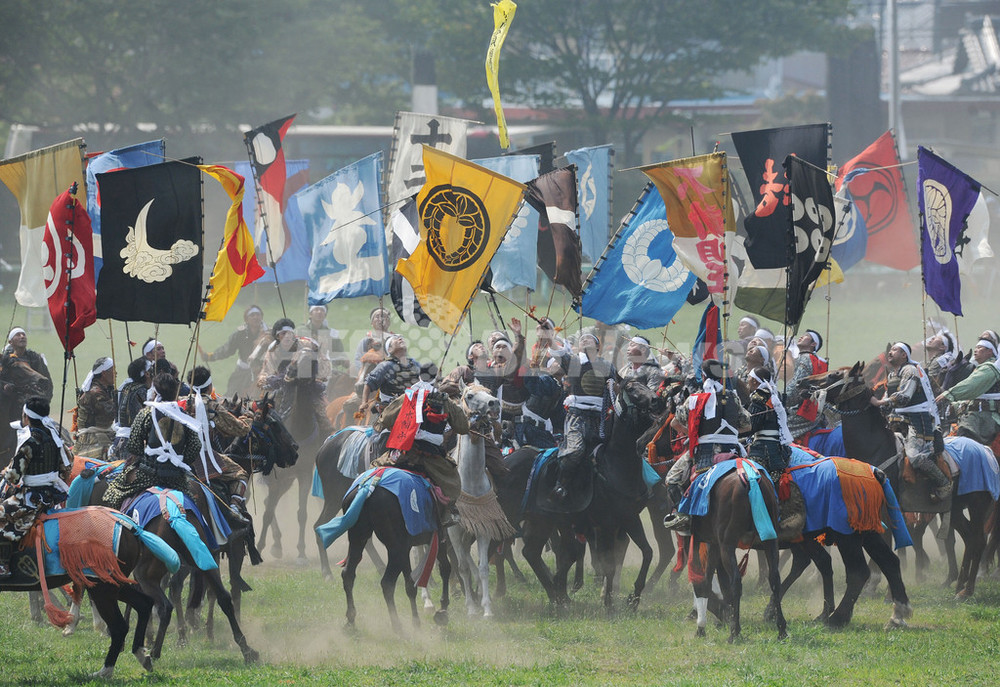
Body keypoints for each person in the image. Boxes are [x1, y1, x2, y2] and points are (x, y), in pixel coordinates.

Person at [664, 359, 751, 531]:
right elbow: (747, 425)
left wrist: (695, 433)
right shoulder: (733, 397)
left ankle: (684, 516)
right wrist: (729, 434)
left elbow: (674, 423)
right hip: (733, 450)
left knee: (671, 479)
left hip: (706, 452)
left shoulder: (695, 399)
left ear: (703, 376)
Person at [373, 381, 469, 525]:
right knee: (453, 481)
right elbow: (463, 428)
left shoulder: (409, 395)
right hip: (432, 458)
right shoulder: (446, 401)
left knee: (374, 468)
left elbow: (386, 420)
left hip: (402, 454)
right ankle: (449, 513)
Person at [102, 373, 202, 510]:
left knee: (113, 491)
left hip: (148, 474)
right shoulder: (184, 416)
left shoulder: (146, 413)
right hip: (176, 478)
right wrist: (180, 461)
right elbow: (195, 446)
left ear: (155, 392)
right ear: (175, 393)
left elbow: (134, 445)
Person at [0, 397, 73, 577]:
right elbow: (68, 464)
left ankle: (4, 565)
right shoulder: (54, 437)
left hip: (31, 497)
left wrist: (5, 472)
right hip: (53, 495)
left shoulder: (29, 441)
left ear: (26, 416)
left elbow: (14, 476)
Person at [872, 342, 951, 502]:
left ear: (904, 355)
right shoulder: (893, 375)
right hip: (896, 423)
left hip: (916, 422)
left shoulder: (911, 370)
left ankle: (943, 483)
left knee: (914, 456)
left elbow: (905, 396)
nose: (890, 352)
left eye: (895, 350)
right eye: (890, 349)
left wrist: (879, 403)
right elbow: (887, 398)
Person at [182, 366, 252, 521]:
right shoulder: (211, 406)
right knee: (241, 474)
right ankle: (234, 507)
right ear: (209, 385)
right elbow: (240, 429)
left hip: (177, 457)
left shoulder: (180, 402)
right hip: (201, 457)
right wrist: (248, 416)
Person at [552, 332, 613, 501]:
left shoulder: (608, 366)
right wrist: (548, 332)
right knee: (576, 450)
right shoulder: (573, 362)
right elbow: (556, 350)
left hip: (600, 419)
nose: (584, 340)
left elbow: (617, 389)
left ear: (598, 346)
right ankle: (561, 484)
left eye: (589, 338)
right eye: (581, 339)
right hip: (577, 417)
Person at [936, 338, 1000, 445]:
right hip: (977, 415)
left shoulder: (990, 368)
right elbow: (972, 397)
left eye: (980, 347)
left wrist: (949, 394)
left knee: (964, 436)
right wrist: (955, 406)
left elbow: (971, 385)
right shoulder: (982, 368)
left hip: (984, 419)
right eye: (975, 347)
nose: (976, 350)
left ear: (990, 351)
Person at [200, 305, 270, 398]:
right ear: (246, 319)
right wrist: (210, 356)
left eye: (258, 314)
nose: (255, 317)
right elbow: (227, 350)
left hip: (261, 372)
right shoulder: (240, 334)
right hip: (242, 371)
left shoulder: (268, 334)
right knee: (231, 394)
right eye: (252, 315)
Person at [361, 334, 422, 421]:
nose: (400, 339)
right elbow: (369, 383)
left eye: (401, 338)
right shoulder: (385, 365)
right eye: (396, 339)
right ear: (389, 349)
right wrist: (364, 402)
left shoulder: (415, 364)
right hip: (391, 410)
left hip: (414, 407)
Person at [784, 329, 829, 440]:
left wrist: (781, 399)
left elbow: (795, 389)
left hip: (800, 412)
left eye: (806, 336)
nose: (801, 337)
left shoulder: (805, 358)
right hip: (815, 411)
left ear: (813, 344)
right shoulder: (816, 361)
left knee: (778, 430)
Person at [298, 304, 350, 396]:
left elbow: (339, 352)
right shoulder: (300, 330)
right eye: (316, 310)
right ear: (310, 314)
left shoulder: (332, 333)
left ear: (325, 315)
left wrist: (344, 359)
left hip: (325, 368)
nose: (319, 312)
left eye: (322, 310)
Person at [74, 357, 117, 459]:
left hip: (102, 434)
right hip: (92, 439)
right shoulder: (96, 393)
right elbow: (112, 412)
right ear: (104, 373)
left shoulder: (104, 390)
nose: (116, 373)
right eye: (113, 370)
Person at [2, 327, 53, 403]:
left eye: (23, 335)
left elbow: (47, 383)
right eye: (18, 335)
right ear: (10, 342)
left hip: (32, 402)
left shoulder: (35, 358)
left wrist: (44, 402)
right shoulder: (5, 360)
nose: (22, 337)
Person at [351, 307, 394, 377]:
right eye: (377, 317)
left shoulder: (396, 339)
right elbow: (358, 360)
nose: (381, 319)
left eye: (384, 316)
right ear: (372, 323)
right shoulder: (366, 341)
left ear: (389, 322)